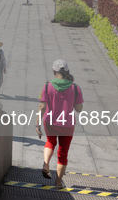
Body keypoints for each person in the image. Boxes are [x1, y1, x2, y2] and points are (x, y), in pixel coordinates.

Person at [36, 60, 84, 189]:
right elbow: (79, 109)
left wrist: (37, 125)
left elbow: (42, 106)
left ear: (53, 71)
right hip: (67, 124)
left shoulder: (47, 86)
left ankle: (46, 164)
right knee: (63, 153)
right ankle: (58, 182)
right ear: (67, 72)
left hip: (50, 121)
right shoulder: (75, 88)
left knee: (50, 142)